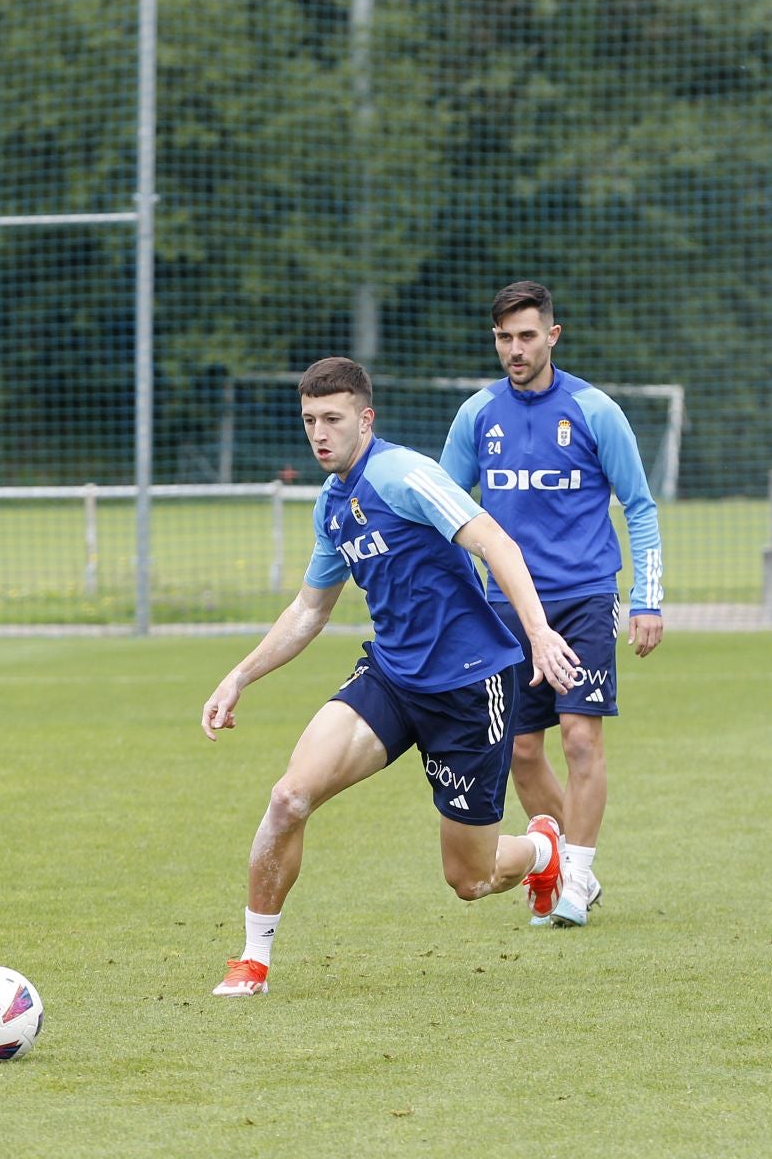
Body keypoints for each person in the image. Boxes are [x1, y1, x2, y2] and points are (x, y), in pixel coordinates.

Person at [200, 356, 580, 998]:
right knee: (289, 798)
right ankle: (253, 959)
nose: (319, 433)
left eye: (333, 419)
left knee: (470, 879)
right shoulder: (332, 503)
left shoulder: (405, 475)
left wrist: (539, 632)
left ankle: (542, 852)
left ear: (365, 419)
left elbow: (498, 545)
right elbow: (310, 609)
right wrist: (239, 676)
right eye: (309, 420)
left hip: (471, 688)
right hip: (393, 678)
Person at [440, 281, 664, 928]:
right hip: (505, 607)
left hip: (583, 599)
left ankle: (579, 871)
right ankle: (567, 864)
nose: (515, 348)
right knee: (523, 751)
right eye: (505, 337)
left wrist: (648, 599)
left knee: (580, 739)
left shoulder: (595, 410)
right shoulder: (477, 415)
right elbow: (444, 511)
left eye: (527, 336)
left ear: (552, 336)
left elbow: (641, 506)